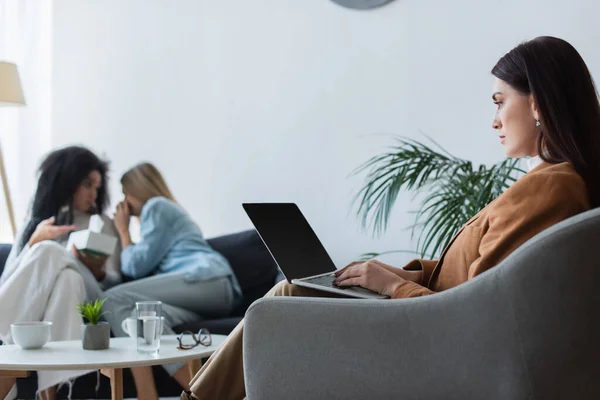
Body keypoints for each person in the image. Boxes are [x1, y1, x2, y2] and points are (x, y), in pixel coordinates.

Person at [180, 36, 600, 400]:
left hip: (431, 337)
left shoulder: (550, 188)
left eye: (499, 102)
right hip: (431, 316)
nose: (493, 121)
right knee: (293, 290)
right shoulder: (553, 181)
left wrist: (394, 287)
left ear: (539, 103)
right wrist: (400, 274)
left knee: (284, 299)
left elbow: (478, 316)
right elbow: (484, 280)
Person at [102, 162, 242, 400]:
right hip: (208, 291)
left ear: (137, 190)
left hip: (207, 278)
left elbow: (135, 267)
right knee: (142, 318)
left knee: (110, 299)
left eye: (126, 193)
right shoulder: (165, 213)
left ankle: (193, 393)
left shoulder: (157, 207)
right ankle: (198, 394)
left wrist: (123, 231)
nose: (125, 202)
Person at [0, 146, 122, 400]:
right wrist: (33, 242)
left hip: (91, 295)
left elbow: (115, 280)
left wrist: (96, 270)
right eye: (88, 184)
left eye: (97, 187)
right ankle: (50, 396)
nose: (93, 193)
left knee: (53, 253)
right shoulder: (37, 223)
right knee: (67, 277)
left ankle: (6, 375)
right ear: (68, 181)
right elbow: (10, 278)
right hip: (61, 293)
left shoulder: (103, 224)